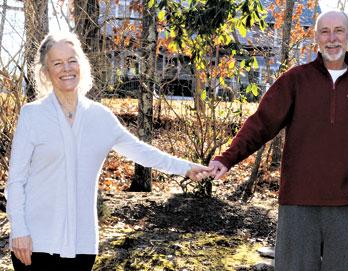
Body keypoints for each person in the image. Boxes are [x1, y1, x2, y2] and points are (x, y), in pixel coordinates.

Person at [6, 31, 210, 271]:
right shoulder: (33, 115)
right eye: (57, 63)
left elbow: (142, 152)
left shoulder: (100, 117)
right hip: (34, 243)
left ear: (81, 64)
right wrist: (19, 230)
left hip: (82, 245)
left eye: (72, 60)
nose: (66, 68)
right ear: (46, 72)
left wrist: (186, 168)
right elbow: (16, 181)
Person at [209, 10, 348, 271]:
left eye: (338, 31)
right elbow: (261, 123)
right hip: (298, 206)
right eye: (324, 31)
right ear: (316, 37)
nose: (332, 38)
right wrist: (227, 158)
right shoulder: (296, 80)